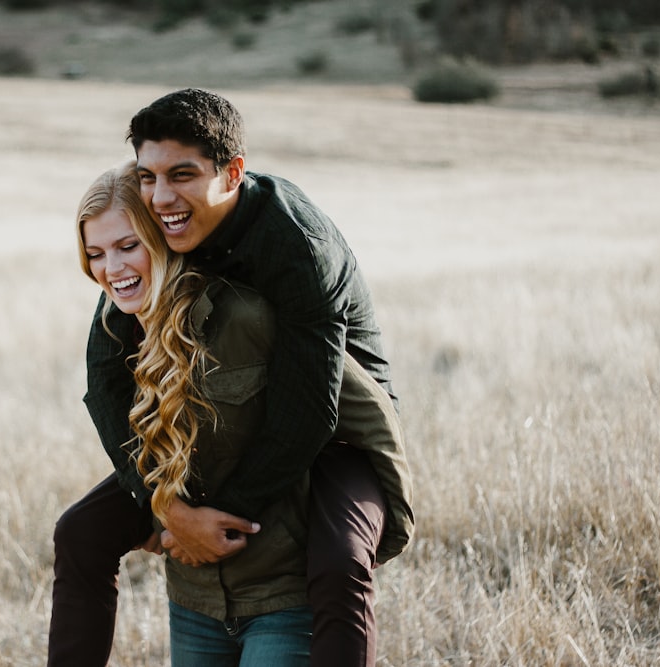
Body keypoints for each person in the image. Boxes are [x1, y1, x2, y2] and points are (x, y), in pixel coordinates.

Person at [48, 89, 414, 666]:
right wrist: (164, 505)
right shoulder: (157, 237)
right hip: (231, 410)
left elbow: (308, 407)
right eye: (148, 176)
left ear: (232, 173)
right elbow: (105, 385)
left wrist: (216, 516)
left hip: (339, 419)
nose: (162, 195)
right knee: (79, 533)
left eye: (183, 174)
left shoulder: (294, 246)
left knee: (340, 561)